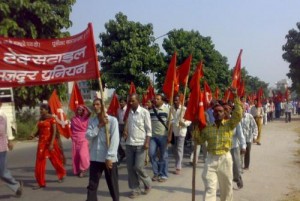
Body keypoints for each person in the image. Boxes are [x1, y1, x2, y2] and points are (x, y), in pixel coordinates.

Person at [195, 88, 243, 201]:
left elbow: (238, 114)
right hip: (211, 160)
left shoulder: (229, 125)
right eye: (215, 112)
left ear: (225, 113)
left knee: (226, 188)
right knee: (209, 188)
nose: (218, 113)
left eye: (220, 111)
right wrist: (196, 127)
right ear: (213, 113)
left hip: (225, 158)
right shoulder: (207, 129)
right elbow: (198, 141)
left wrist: (235, 96)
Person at [86, 98, 119, 201]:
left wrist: (110, 157)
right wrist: (99, 126)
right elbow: (88, 135)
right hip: (95, 158)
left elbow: (115, 140)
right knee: (92, 185)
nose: (95, 107)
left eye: (97, 104)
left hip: (108, 158)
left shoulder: (112, 120)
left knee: (112, 185)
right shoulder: (92, 121)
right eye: (94, 105)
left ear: (103, 106)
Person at [30, 103, 66, 189]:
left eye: (42, 109)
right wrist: (33, 135)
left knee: (55, 160)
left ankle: (61, 174)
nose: (40, 111)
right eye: (40, 109)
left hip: (50, 143)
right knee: (39, 163)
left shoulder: (51, 119)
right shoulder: (40, 119)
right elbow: (39, 131)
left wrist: (51, 143)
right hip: (41, 144)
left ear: (47, 110)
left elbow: (54, 132)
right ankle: (41, 183)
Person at [123, 94, 152, 198]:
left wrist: (147, 142)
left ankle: (147, 183)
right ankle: (135, 189)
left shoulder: (145, 112)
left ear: (138, 101)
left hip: (141, 144)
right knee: (130, 168)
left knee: (138, 167)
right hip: (129, 144)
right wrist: (125, 131)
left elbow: (149, 130)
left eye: (132, 101)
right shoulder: (129, 113)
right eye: (129, 101)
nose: (130, 103)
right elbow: (127, 125)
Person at [0, 98, 23, 197]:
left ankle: (16, 186)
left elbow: (8, 128)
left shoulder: (2, 115)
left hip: (1, 146)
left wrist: (10, 141)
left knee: (2, 172)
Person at [149, 94, 172, 183]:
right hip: (153, 137)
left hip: (163, 136)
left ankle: (163, 174)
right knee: (151, 154)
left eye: (158, 99)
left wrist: (169, 135)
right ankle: (156, 173)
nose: (156, 100)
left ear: (162, 100)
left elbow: (171, 124)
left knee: (164, 156)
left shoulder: (167, 110)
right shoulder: (150, 111)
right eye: (155, 99)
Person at [223, 104, 246, 189]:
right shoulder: (220, 122)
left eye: (227, 109)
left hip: (234, 147)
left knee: (236, 166)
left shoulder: (235, 121)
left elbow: (241, 135)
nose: (225, 111)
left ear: (230, 111)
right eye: (224, 109)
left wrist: (243, 146)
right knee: (225, 168)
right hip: (224, 149)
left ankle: (238, 178)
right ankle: (228, 186)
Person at [171, 96, 191, 175]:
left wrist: (184, 123)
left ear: (180, 101)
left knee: (179, 148)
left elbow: (189, 120)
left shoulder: (184, 109)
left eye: (177, 100)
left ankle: (178, 166)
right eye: (174, 100)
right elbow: (170, 118)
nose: (175, 101)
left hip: (181, 131)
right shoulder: (171, 109)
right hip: (173, 131)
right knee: (174, 149)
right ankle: (177, 162)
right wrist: (171, 122)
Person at [70, 105, 91, 177]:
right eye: (78, 110)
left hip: (84, 138)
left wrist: (85, 107)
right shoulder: (73, 119)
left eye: (81, 110)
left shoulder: (85, 118)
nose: (80, 111)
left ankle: (84, 169)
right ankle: (79, 169)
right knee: (76, 155)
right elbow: (71, 129)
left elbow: (90, 112)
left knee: (83, 154)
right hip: (75, 139)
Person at [240, 106, 258, 170]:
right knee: (240, 153)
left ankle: (246, 166)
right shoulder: (236, 118)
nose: (241, 109)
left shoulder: (249, 116)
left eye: (242, 108)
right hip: (240, 139)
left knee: (247, 153)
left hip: (248, 138)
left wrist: (255, 136)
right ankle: (240, 166)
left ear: (245, 109)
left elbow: (255, 126)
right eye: (240, 108)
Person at [117, 98, 127, 164]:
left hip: (126, 126)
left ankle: (130, 156)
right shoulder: (118, 110)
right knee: (117, 141)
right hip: (120, 126)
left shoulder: (128, 109)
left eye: (122, 102)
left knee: (127, 142)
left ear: (125, 102)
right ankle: (122, 153)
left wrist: (126, 129)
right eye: (120, 102)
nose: (121, 103)